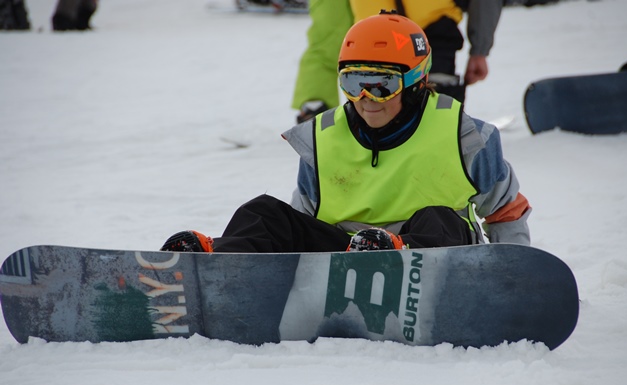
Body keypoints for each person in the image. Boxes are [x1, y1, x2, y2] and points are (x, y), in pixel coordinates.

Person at [161, 11, 530, 254]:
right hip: (345, 257)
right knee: (264, 213)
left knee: (440, 218)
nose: (366, 99)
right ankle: (215, 263)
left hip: (433, 259)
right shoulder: (322, 138)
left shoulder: (465, 135)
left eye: (382, 85)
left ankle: (391, 254)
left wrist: (515, 275)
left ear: (416, 82)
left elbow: (506, 210)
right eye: (353, 83)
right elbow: (301, 223)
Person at [293, 0, 503, 123]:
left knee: (432, 116)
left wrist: (480, 49)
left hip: (431, 36)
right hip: (371, 39)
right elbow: (328, 32)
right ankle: (317, 107)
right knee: (375, 115)